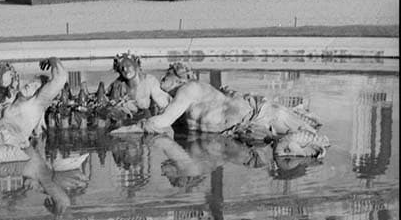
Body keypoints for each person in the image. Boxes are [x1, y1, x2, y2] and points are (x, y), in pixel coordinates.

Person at [112, 61, 330, 159]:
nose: (162, 80)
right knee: (299, 144)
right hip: (244, 128)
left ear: (176, 77)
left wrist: (126, 129)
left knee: (313, 138)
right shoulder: (185, 101)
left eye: (165, 77)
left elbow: (162, 121)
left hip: (261, 115)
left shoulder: (189, 89)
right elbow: (160, 102)